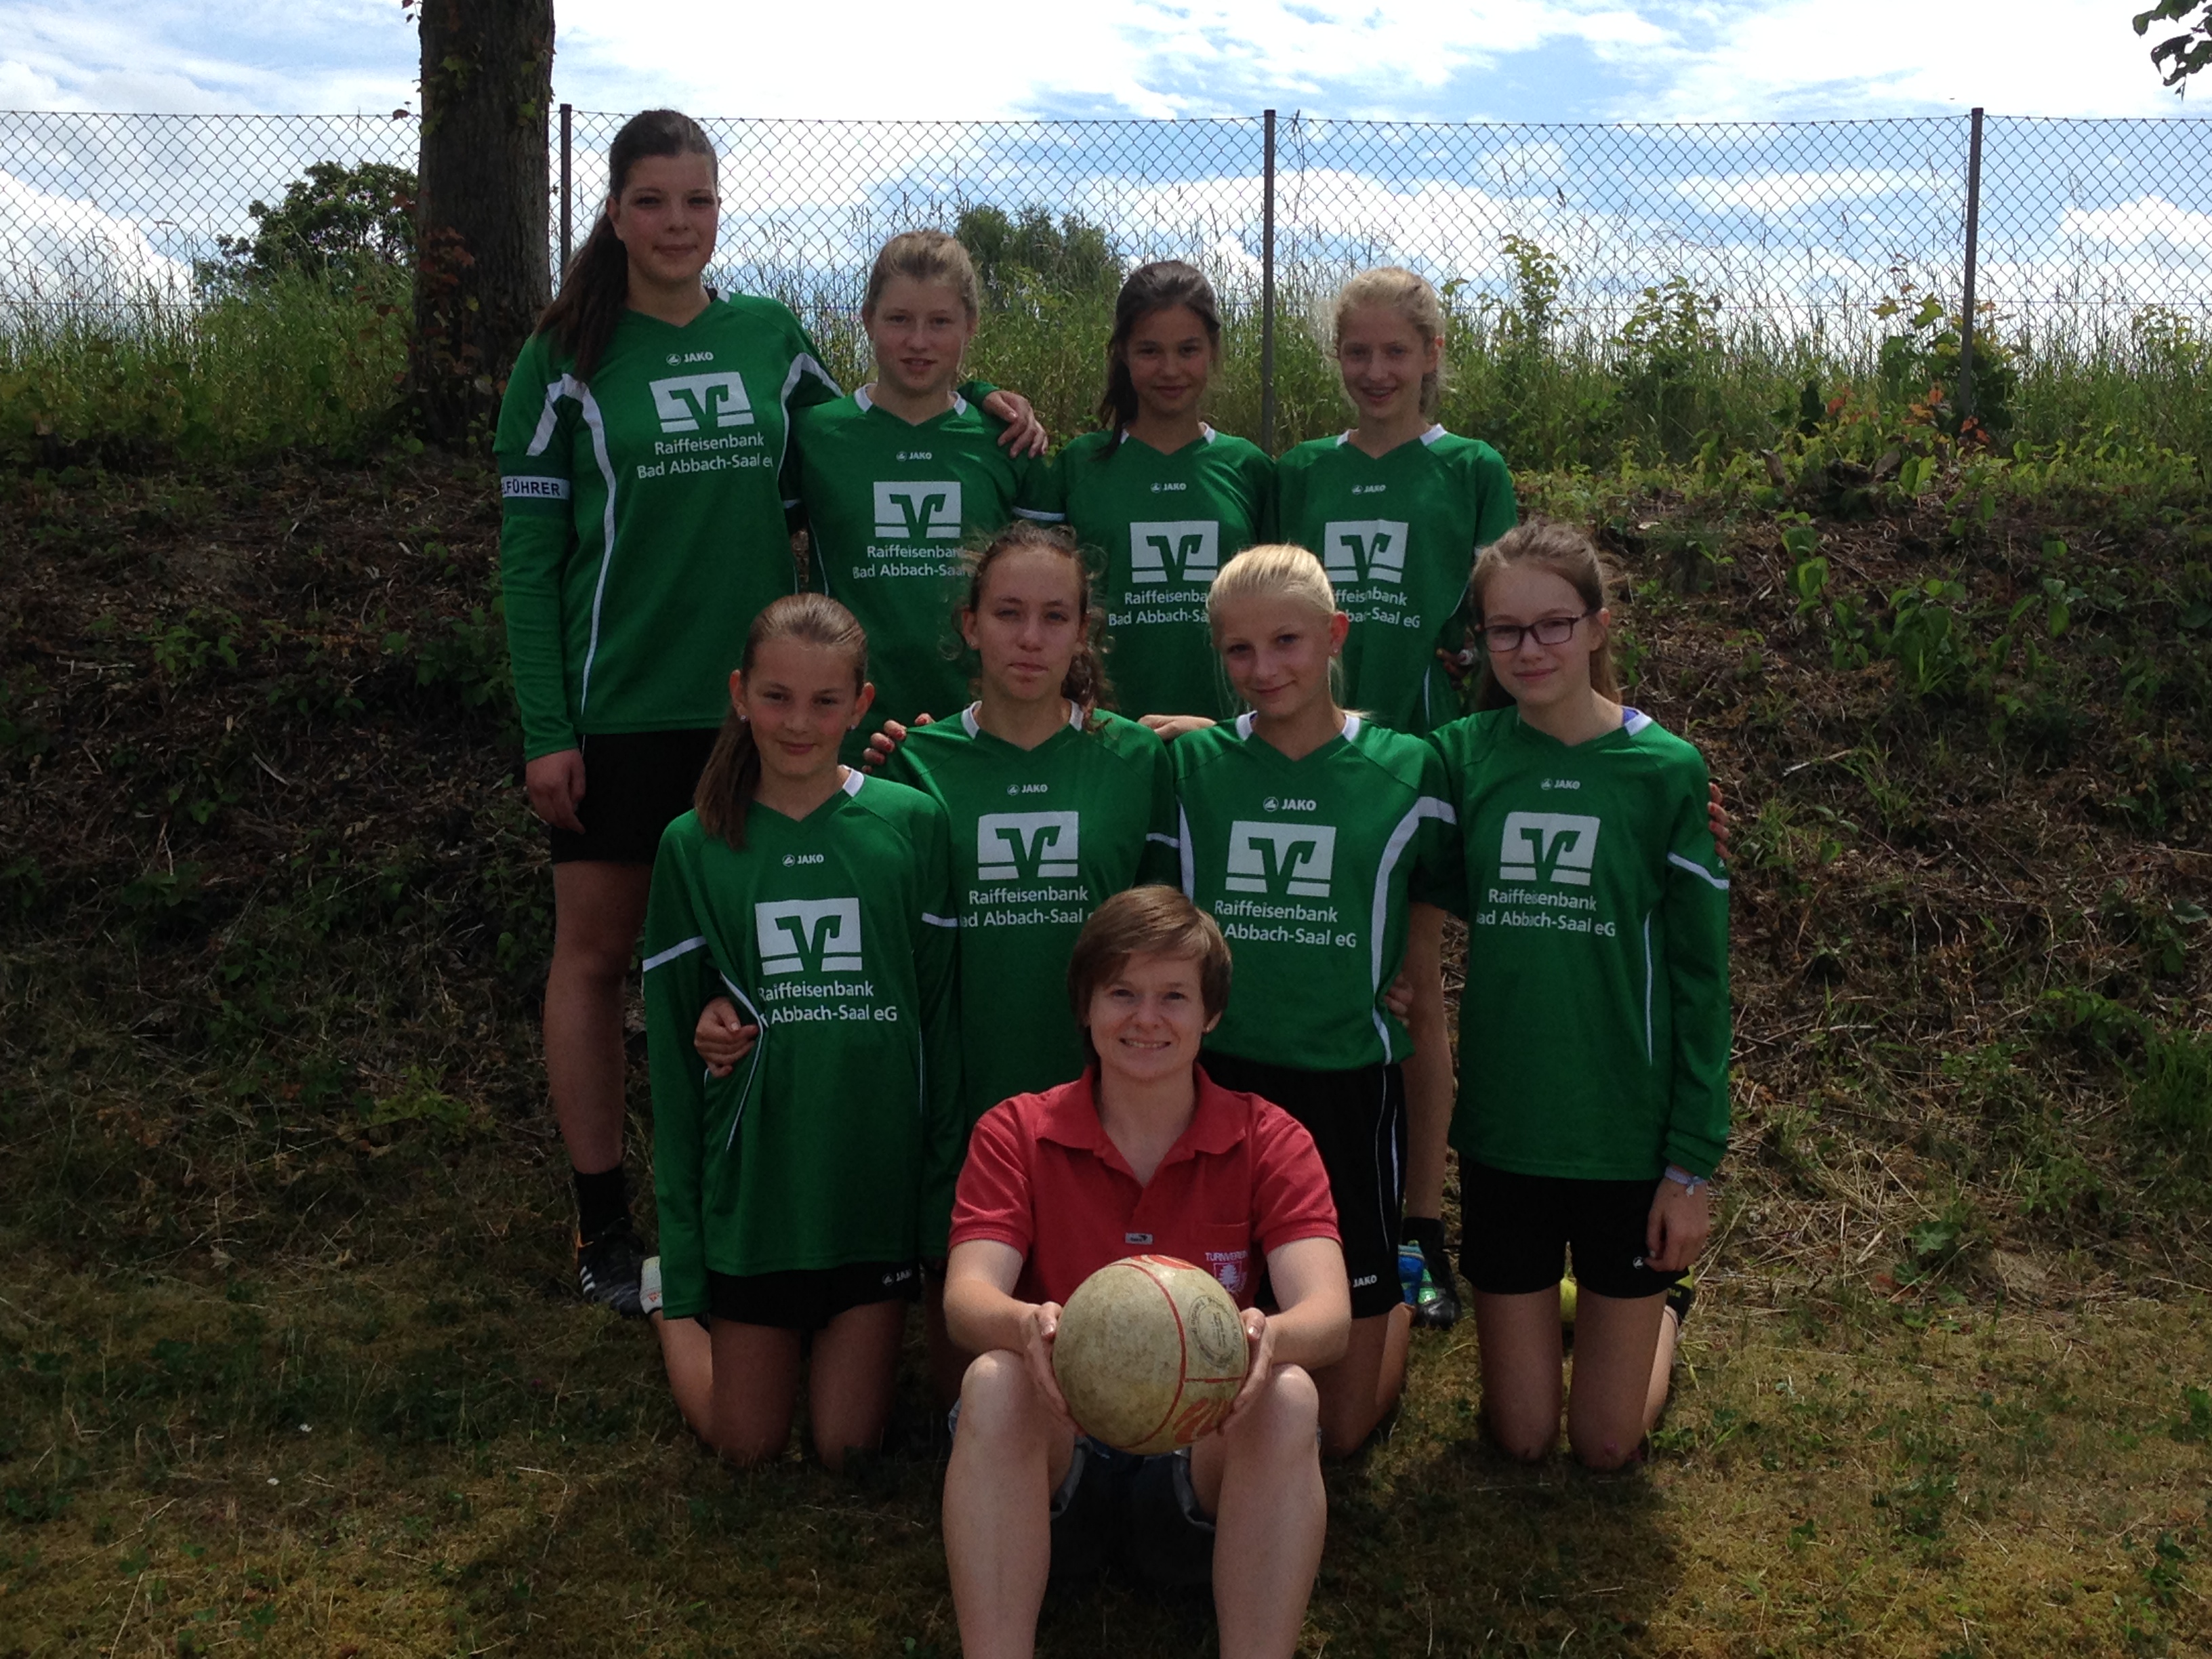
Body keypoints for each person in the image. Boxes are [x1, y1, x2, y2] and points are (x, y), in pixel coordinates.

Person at [496, 113, 1036, 1315]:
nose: (676, 223)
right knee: (597, 958)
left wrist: (988, 404)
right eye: (651, 201)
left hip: (771, 714)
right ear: (614, 211)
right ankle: (602, 1225)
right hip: (619, 707)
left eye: (697, 200)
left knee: (777, 970)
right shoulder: (562, 356)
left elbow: (875, 432)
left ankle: (793, 1206)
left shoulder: (768, 338)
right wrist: (547, 727)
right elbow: (528, 560)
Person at [700, 520, 1179, 1399]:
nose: (1030, 638)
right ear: (969, 625)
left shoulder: (1135, 759)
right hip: (961, 1098)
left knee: (1100, 1384)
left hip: (1099, 1094)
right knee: (976, 1391)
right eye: (1007, 613)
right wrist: (723, 999)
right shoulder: (914, 765)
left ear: (1084, 632)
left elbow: (1166, 940)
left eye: (1054, 617)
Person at [941, 887, 1350, 1659]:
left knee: (1289, 1391)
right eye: (1122, 993)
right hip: (1057, 1464)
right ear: (1086, 1006)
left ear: (1212, 1013)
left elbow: (1327, 1316)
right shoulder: (1017, 1130)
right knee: (994, 1380)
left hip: (1196, 1469)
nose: (1147, 1018)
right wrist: (1027, 1323)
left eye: (1174, 997)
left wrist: (1264, 1334)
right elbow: (967, 1299)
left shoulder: (1268, 1136)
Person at [1423, 518, 1730, 1469]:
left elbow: (1701, 982)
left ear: (1597, 626)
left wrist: (1691, 1170)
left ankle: (1662, 1308)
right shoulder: (1461, 756)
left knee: (1604, 1445)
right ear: (1482, 639)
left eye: (1553, 624)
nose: (1531, 649)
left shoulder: (1667, 771)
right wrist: (1207, 736)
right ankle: (1590, 1312)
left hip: (1623, 1136)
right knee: (1521, 1437)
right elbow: (1342, 773)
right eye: (1505, 631)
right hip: (1507, 1130)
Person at [634, 594, 960, 1469]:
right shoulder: (693, 843)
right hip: (759, 1190)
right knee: (747, 1447)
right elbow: (672, 1048)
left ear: (861, 705)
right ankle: (667, 1307)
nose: (799, 723)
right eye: (776, 697)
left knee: (849, 1449)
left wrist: (936, 1200)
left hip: (868, 1186)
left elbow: (936, 1020)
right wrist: (685, 1254)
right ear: (740, 694)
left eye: (825, 702)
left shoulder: (913, 825)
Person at [1170, 544, 1457, 1458]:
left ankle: (1396, 1303)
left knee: (1337, 1436)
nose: (1265, 669)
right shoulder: (1190, 766)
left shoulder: (1411, 769)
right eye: (1240, 650)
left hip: (1348, 1084)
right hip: (1218, 1080)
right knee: (1212, 1383)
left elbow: (1439, 910)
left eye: (1287, 641)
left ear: (1335, 635)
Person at [792, 230, 1063, 758]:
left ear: (970, 326)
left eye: (940, 322)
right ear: (867, 319)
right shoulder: (814, 436)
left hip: (982, 724)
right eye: (899, 320)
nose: (918, 342)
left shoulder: (1007, 441)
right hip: (848, 725)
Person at [1273, 266, 1517, 740]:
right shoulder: (1301, 470)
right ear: (1337, 354)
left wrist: (1471, 657)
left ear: (1431, 353)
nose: (1376, 372)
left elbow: (1505, 608)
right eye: (1358, 353)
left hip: (1427, 729)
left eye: (1396, 352)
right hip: (1310, 729)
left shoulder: (1473, 469)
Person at [1043, 260, 1273, 731]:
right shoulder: (1078, 466)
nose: (1170, 370)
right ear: (1123, 354)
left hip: (1227, 735)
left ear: (1213, 351)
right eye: (1150, 350)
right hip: (1102, 732)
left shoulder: (1249, 468)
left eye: (1188, 350)